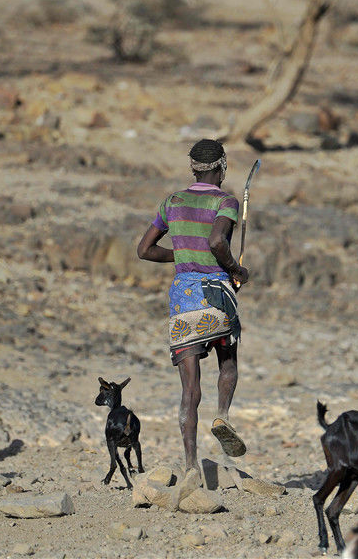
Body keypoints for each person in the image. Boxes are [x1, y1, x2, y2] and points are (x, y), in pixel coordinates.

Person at [137, 138, 250, 474]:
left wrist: (183, 255)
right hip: (216, 295)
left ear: (193, 168)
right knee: (227, 362)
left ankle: (190, 467)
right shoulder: (226, 202)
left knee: (189, 389)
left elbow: (144, 250)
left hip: (183, 300)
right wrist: (235, 269)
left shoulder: (171, 202)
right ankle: (223, 415)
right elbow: (217, 241)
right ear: (222, 166)